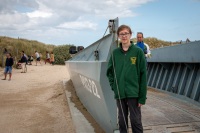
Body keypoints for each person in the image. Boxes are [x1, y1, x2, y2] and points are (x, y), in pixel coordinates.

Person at [106, 25, 147, 133]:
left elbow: (143, 75)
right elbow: (109, 72)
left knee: (136, 121)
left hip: (134, 93)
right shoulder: (115, 53)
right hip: (120, 93)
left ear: (130, 35)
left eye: (126, 33)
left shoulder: (138, 52)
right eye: (121, 34)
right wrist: (114, 86)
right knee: (122, 121)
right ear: (118, 36)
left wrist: (142, 97)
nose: (124, 36)